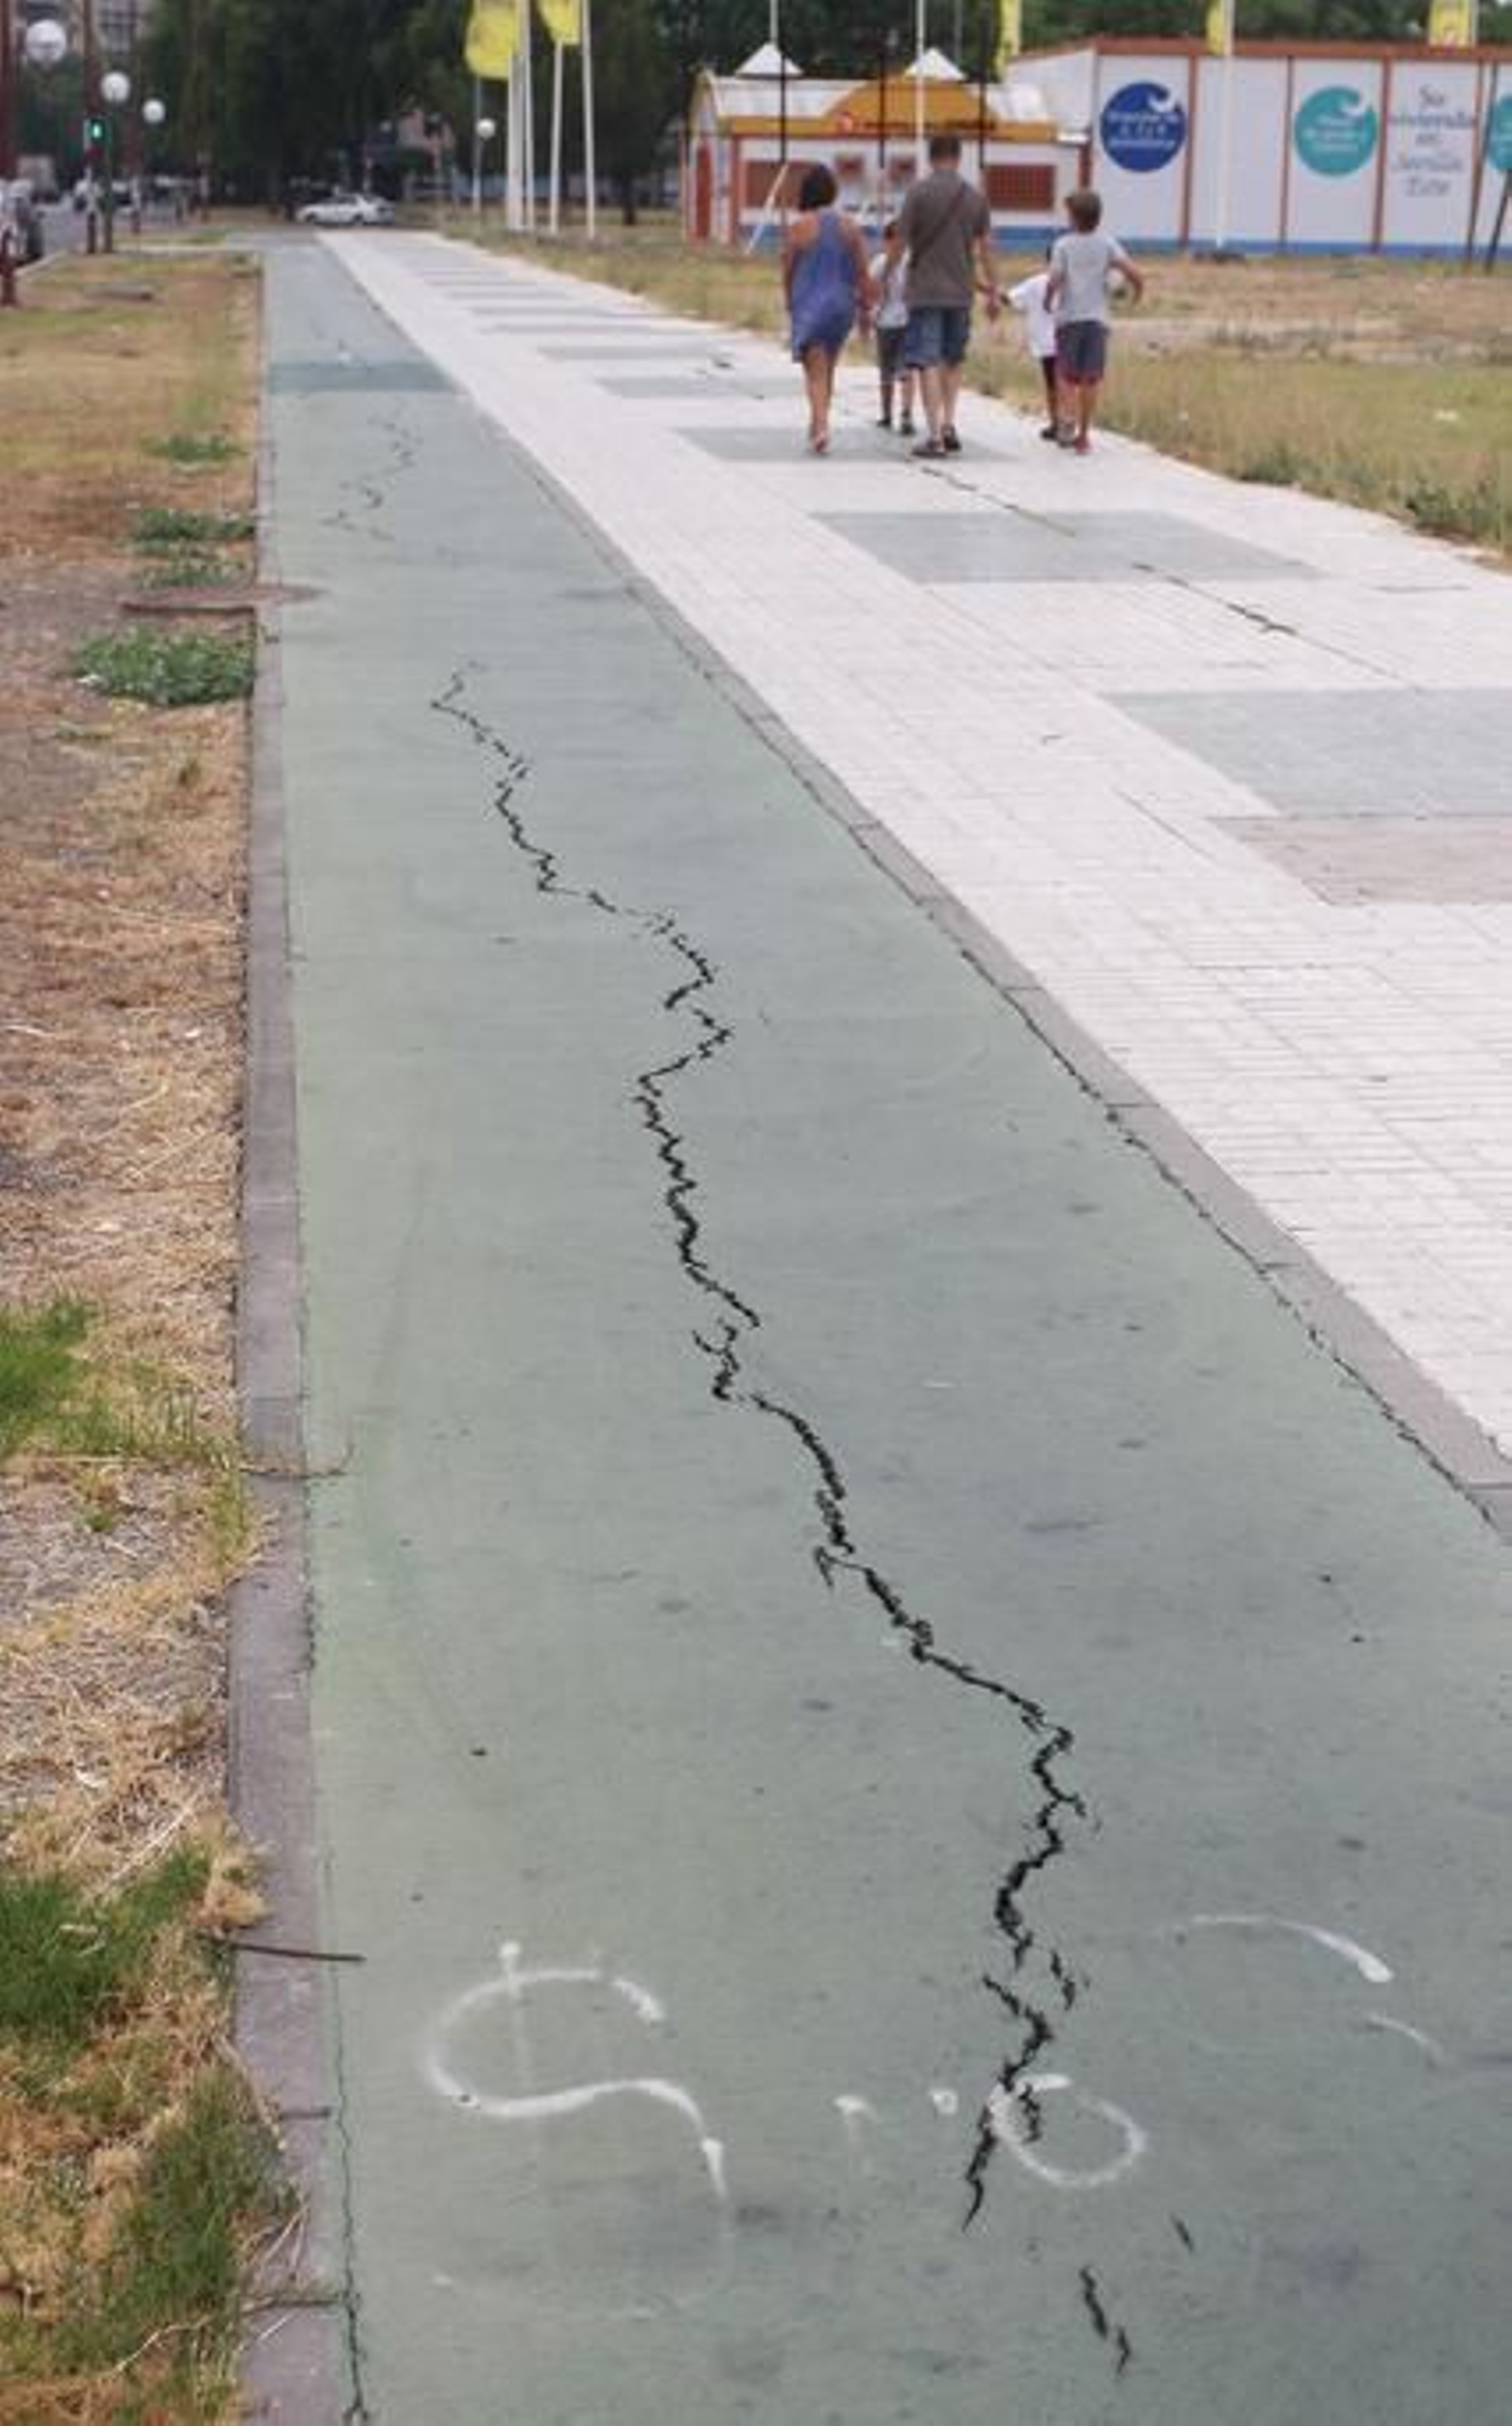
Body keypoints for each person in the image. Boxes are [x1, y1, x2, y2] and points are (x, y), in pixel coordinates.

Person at [898, 132, 1000, 460]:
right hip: (961, 291)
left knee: (927, 360)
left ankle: (933, 435)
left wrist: (884, 276)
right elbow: (986, 248)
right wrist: (994, 290)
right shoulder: (975, 197)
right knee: (952, 359)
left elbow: (900, 240)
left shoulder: (918, 192)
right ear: (959, 156)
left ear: (930, 156)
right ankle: (949, 423)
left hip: (925, 291)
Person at [782, 165, 874, 456]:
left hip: (811, 304)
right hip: (842, 304)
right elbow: (863, 272)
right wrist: (865, 310)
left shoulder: (799, 226)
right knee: (828, 368)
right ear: (832, 191)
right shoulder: (850, 226)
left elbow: (789, 269)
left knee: (815, 372)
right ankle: (816, 422)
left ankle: (821, 428)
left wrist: (789, 301)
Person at [1045, 187, 1143, 456]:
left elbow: (1055, 279)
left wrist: (1047, 299)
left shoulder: (1062, 245)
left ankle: (1068, 416)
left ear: (1074, 218)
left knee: (1064, 373)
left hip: (1069, 319)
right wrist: (1138, 292)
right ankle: (1084, 436)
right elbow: (1134, 272)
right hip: (1098, 321)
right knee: (1090, 379)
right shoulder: (1108, 243)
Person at [868, 219, 916, 437]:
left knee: (886, 370)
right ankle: (906, 414)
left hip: (884, 321)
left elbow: (871, 290)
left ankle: (886, 415)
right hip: (908, 319)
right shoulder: (912, 261)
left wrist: (868, 312)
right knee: (906, 370)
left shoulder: (880, 261)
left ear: (886, 240)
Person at [1006, 254, 1059, 441]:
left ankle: (1056, 424)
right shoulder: (1076, 281)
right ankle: (1070, 423)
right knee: (1072, 383)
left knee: (1053, 385)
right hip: (1070, 339)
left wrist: (986, 290)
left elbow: (1010, 299)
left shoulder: (1035, 283)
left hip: (1048, 344)